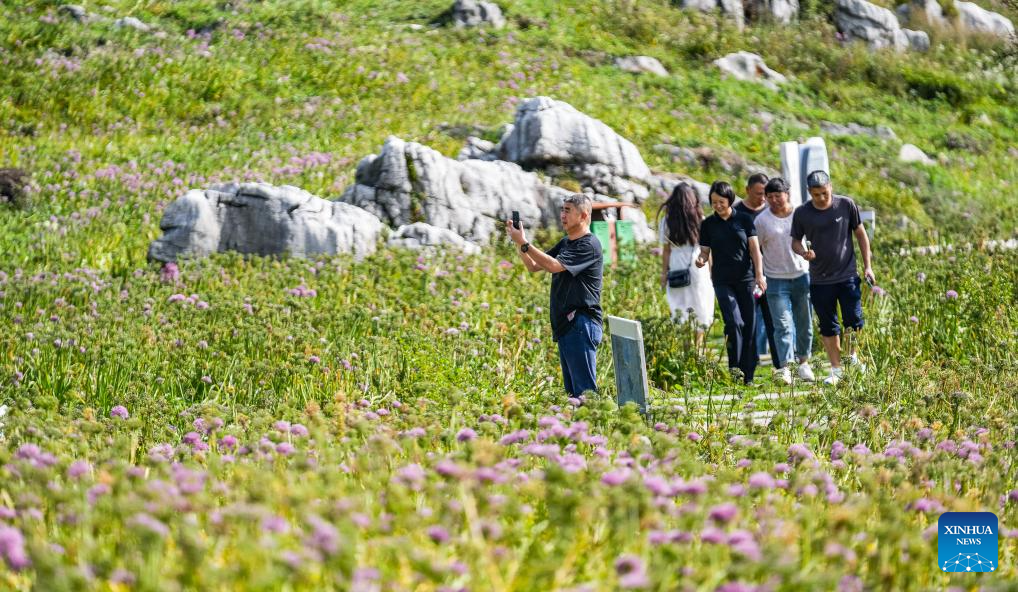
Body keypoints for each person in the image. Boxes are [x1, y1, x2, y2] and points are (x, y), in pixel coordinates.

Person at [506, 194, 603, 397]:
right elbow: (534, 266)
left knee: (585, 395)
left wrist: (524, 243)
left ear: (583, 215)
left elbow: (552, 266)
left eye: (568, 210)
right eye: (562, 210)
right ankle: (579, 429)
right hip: (567, 326)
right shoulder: (567, 242)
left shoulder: (589, 245)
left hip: (581, 324)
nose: (562, 215)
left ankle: (594, 428)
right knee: (573, 395)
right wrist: (519, 242)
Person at [791, 171, 875, 386]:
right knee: (828, 326)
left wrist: (868, 267)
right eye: (816, 194)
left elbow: (861, 235)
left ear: (831, 186)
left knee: (853, 322)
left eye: (825, 193)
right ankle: (836, 369)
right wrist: (803, 253)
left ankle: (851, 357)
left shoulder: (846, 205)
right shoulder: (802, 213)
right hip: (820, 279)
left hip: (847, 275)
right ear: (809, 192)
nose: (821, 197)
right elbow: (795, 242)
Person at [696, 181, 767, 385]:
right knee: (734, 322)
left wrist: (759, 275)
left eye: (721, 202)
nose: (717, 205)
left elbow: (755, 251)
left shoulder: (744, 220)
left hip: (746, 279)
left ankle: (749, 375)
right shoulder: (708, 224)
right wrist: (701, 260)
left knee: (749, 325)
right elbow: (705, 251)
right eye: (714, 202)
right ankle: (735, 370)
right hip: (722, 281)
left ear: (730, 200)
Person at [756, 177, 815, 384]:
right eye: (769, 197)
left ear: (787, 194)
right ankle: (785, 367)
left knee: (804, 322)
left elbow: (811, 237)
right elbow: (757, 249)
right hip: (775, 278)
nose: (774, 200)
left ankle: (804, 363)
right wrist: (759, 274)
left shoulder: (800, 215)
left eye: (777, 196)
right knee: (782, 325)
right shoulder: (762, 221)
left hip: (801, 275)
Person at [658, 182, 714, 342]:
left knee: (679, 306)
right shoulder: (700, 219)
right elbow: (707, 248)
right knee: (700, 304)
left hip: (676, 265)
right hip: (697, 265)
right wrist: (710, 270)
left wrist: (664, 273)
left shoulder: (666, 221)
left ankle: (685, 346)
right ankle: (698, 346)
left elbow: (666, 250)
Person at [734, 173, 779, 371]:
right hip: (746, 277)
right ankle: (749, 368)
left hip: (772, 274)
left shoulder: (772, 211)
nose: (762, 198)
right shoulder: (736, 212)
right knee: (749, 323)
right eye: (759, 194)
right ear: (747, 190)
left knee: (774, 322)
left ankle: (781, 366)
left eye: (765, 194)